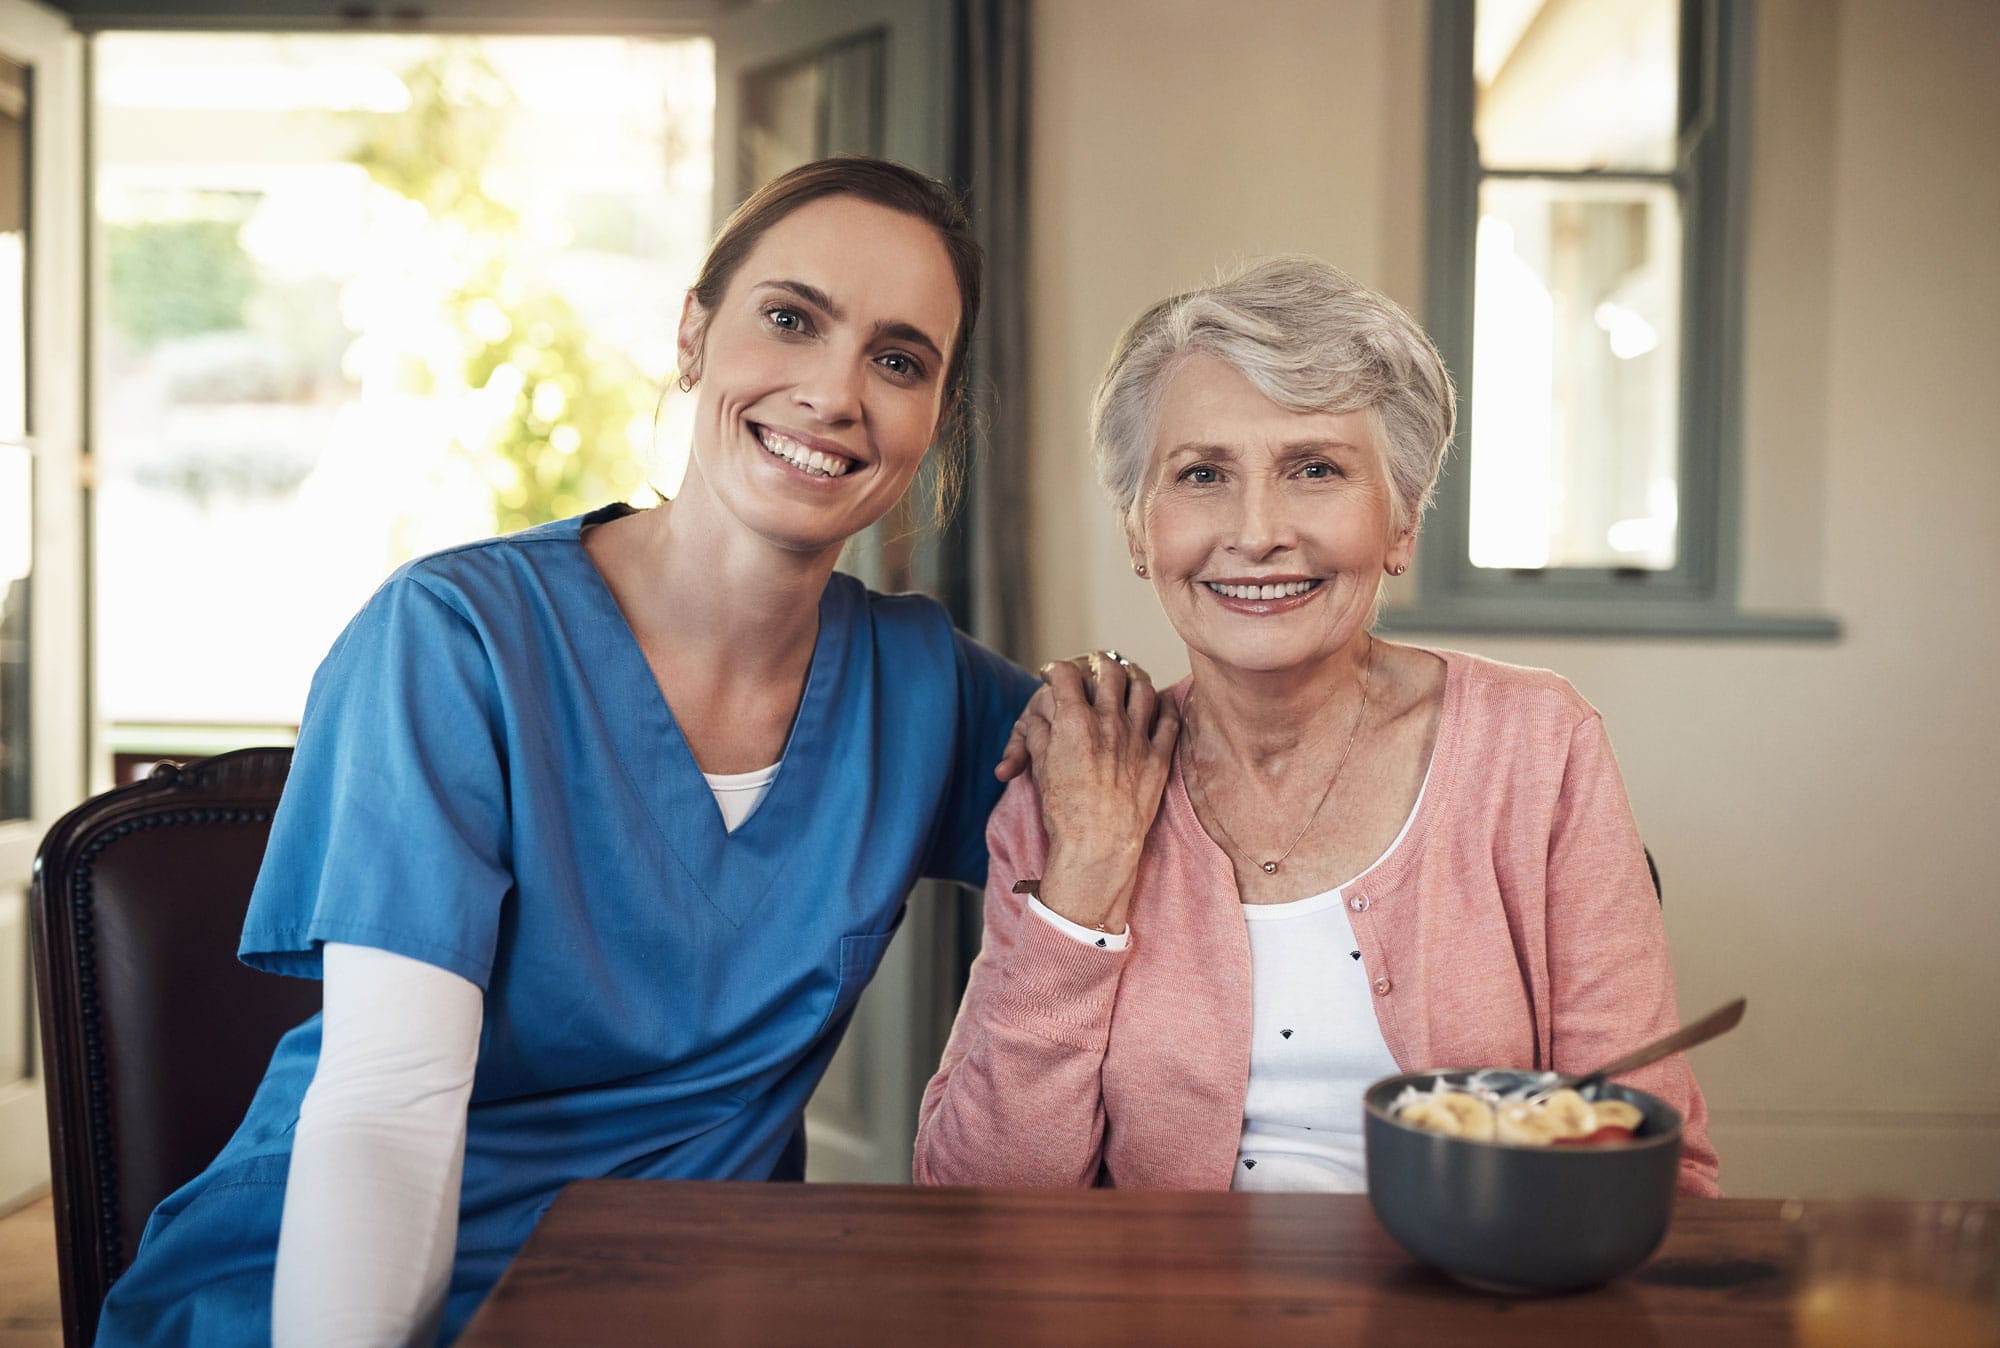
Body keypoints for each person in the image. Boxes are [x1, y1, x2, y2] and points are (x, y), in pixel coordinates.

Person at [96, 156, 1062, 1347]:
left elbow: (1206, 802)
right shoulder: (452, 642)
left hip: (695, 1301)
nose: (834, 390)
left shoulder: (924, 689)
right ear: (693, 335)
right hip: (345, 1288)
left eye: (899, 359)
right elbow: (390, 1112)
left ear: (933, 418)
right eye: (789, 319)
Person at [914, 255, 1721, 1197]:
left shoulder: (1537, 748)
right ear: (1141, 532)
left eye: (1316, 469)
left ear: (1403, 520)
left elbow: (1657, 1168)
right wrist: (1087, 871)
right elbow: (976, 1200)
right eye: (1203, 472)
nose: (1257, 530)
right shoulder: (1071, 782)